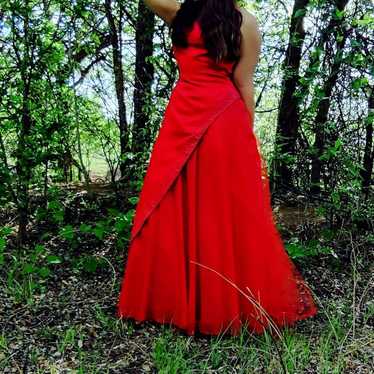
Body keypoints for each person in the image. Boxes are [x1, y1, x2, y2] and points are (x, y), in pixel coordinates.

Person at [116, 0, 318, 337]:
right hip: (183, 115)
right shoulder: (182, 12)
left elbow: (243, 83)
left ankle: (217, 303)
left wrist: (245, 141)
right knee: (167, 200)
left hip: (223, 122)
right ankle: (169, 301)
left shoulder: (246, 24)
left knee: (217, 211)